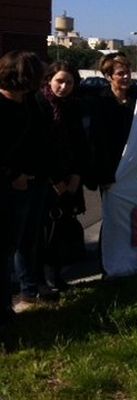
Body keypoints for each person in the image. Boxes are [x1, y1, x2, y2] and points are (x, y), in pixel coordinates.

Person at [34, 61, 88, 291]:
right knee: (43, 233)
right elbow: (40, 147)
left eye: (69, 82)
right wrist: (55, 180)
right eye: (59, 81)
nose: (63, 86)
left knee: (61, 230)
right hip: (46, 180)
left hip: (70, 177)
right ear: (49, 80)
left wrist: (76, 175)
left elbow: (80, 144)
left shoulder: (74, 107)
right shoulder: (39, 105)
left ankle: (55, 276)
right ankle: (38, 281)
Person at [0, 51, 44, 320]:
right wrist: (12, 175)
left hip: (30, 183)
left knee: (18, 244)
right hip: (7, 187)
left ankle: (9, 303)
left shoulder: (29, 103)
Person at [87, 52, 137, 271]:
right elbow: (98, 142)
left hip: (136, 169)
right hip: (111, 171)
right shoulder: (100, 102)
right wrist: (104, 175)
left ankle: (134, 259)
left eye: (127, 72)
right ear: (108, 76)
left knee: (135, 217)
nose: (126, 77)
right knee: (112, 219)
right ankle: (108, 265)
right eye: (120, 73)